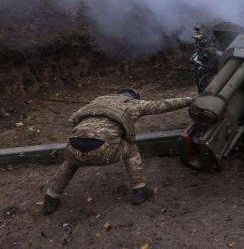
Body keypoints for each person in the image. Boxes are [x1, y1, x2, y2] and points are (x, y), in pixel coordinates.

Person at [43, 88, 193, 214]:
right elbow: (162, 105)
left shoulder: (98, 100)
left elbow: (72, 119)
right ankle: (139, 190)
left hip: (73, 147)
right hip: (103, 150)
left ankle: (51, 198)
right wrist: (189, 100)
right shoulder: (133, 105)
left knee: (70, 163)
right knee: (131, 150)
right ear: (133, 98)